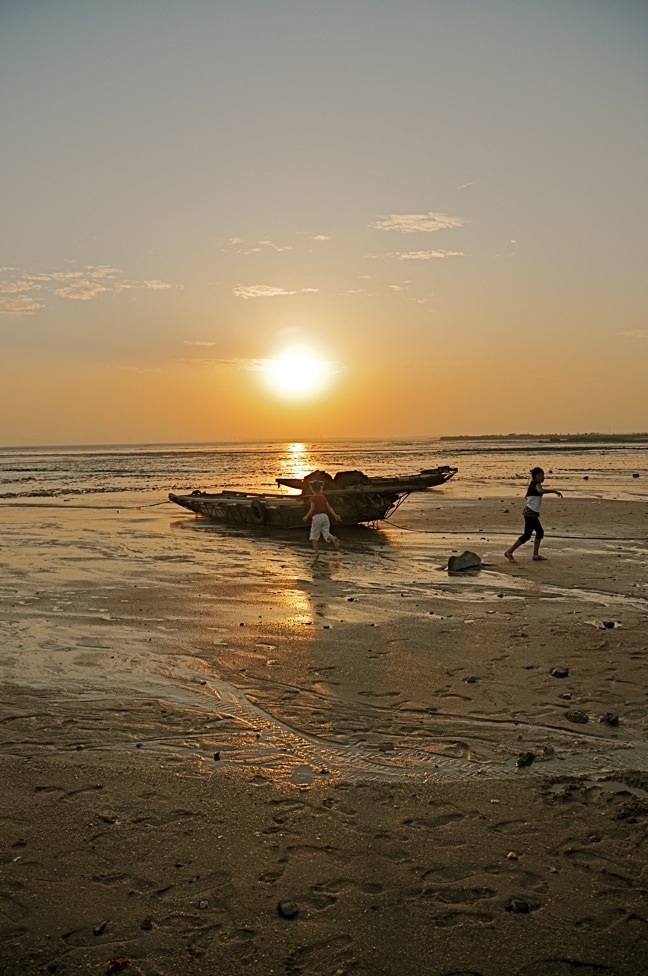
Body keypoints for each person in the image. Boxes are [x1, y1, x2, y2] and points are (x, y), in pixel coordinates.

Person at [505, 466, 563, 562]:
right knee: (537, 532)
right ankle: (511, 552)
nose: (544, 477)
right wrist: (554, 491)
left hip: (530, 513)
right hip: (530, 513)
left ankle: (515, 552)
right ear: (537, 476)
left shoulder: (532, 484)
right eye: (542, 475)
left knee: (529, 535)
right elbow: (540, 491)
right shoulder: (536, 484)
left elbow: (528, 496)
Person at [303, 480, 341, 559]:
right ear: (321, 488)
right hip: (325, 517)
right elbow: (329, 507)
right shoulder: (323, 498)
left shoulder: (312, 498)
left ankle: (316, 553)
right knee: (326, 533)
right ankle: (333, 538)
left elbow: (312, 508)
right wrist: (335, 515)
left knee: (314, 536)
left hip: (317, 517)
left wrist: (306, 516)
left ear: (312, 489)